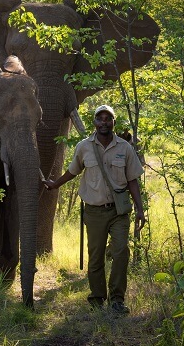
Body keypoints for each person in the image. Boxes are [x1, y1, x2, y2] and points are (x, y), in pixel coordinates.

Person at [43, 104, 145, 314]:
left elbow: (133, 180)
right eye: (100, 119)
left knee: (121, 253)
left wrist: (140, 209)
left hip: (119, 212)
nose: (104, 123)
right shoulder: (84, 147)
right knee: (96, 256)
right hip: (94, 211)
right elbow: (73, 171)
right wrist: (55, 185)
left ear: (114, 122)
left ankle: (117, 300)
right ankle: (97, 299)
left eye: (108, 119)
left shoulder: (124, 148)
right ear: (95, 123)